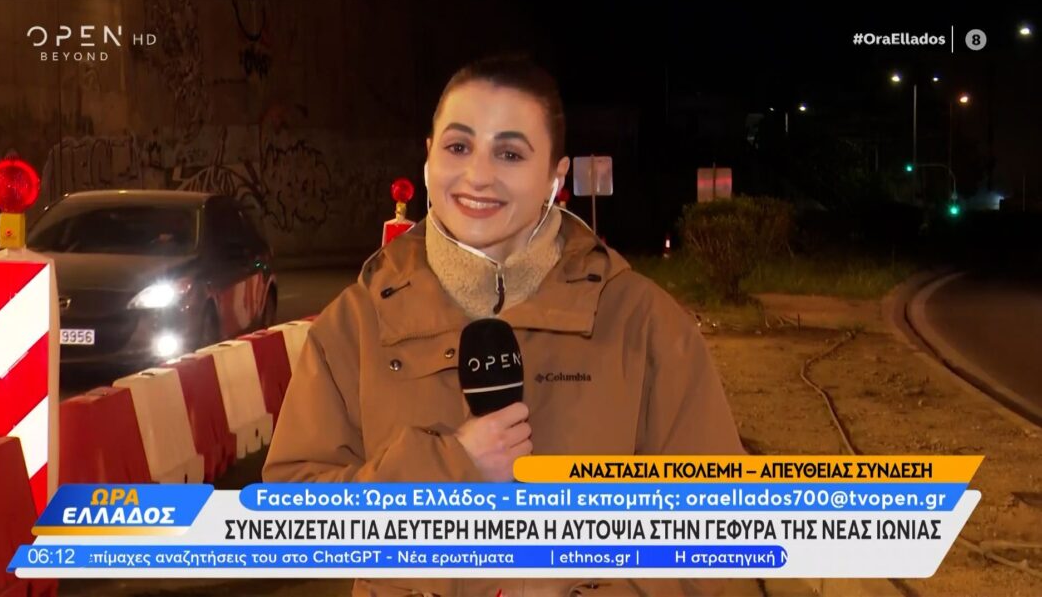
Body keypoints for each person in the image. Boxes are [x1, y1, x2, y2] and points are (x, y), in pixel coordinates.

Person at [264, 55, 748, 597]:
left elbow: (718, 535)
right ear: (428, 157)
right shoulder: (355, 323)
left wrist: (580, 576)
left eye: (510, 153)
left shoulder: (643, 323)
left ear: (554, 178)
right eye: (458, 147)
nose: (478, 176)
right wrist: (452, 467)